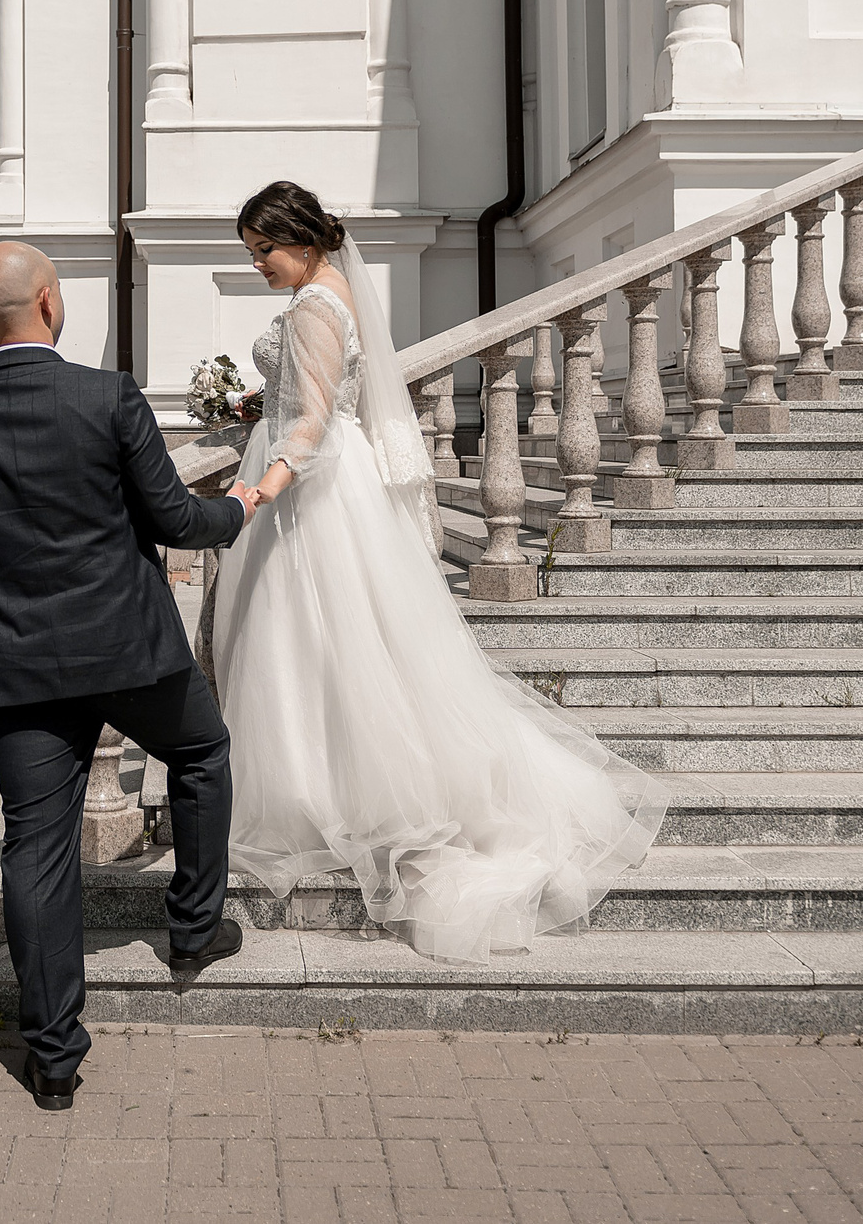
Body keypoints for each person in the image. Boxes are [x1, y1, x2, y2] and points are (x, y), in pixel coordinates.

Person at [211, 181, 668, 964]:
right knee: (331, 642)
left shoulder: (317, 305)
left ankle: (320, 794)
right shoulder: (334, 290)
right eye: (253, 253)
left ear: (303, 239)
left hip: (311, 485)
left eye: (265, 250)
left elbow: (316, 422)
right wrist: (257, 407)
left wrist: (257, 490)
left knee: (318, 636)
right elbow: (314, 393)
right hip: (321, 471)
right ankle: (320, 782)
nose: (258, 264)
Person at [0, 241, 259, 1111]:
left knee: (36, 849)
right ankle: (192, 929)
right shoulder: (107, 395)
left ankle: (54, 1059)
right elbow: (177, 517)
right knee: (205, 750)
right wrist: (245, 504)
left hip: (19, 670)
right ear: (50, 303)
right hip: (130, 653)